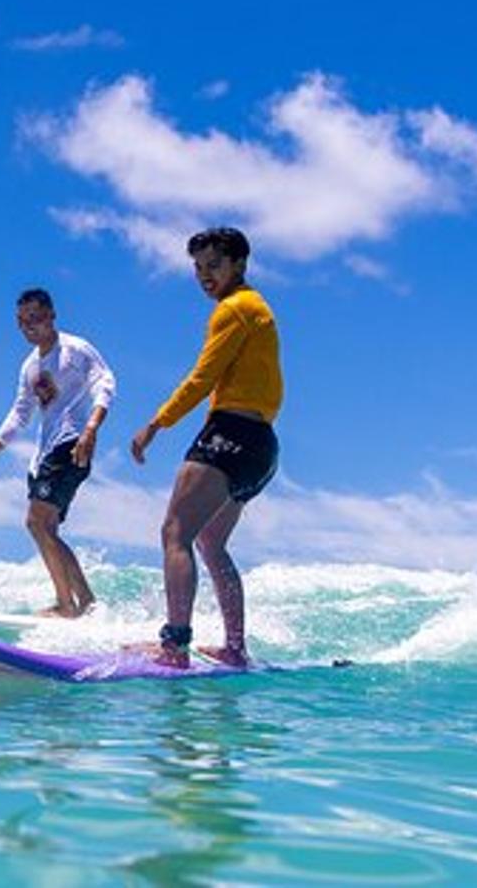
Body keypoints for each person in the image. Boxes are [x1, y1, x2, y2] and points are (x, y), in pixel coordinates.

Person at [130, 226, 282, 668]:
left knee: (175, 533)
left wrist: (156, 424)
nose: (204, 276)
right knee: (211, 542)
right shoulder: (258, 309)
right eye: (198, 268)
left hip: (229, 433)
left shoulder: (233, 310)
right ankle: (235, 648)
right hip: (262, 446)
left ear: (239, 264)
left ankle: (174, 648)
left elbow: (203, 377)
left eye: (214, 265)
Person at [0, 288, 116, 617]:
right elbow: (21, 413)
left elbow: (105, 383)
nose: (29, 328)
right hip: (45, 452)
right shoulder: (30, 367)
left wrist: (92, 429)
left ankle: (68, 604)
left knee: (37, 522)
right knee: (45, 527)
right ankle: (86, 603)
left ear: (52, 315)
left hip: (72, 443)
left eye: (35, 319)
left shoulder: (75, 349)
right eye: (22, 323)